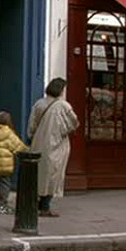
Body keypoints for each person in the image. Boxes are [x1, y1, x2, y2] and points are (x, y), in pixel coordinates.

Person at [27, 77, 79, 218]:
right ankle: (45, 206)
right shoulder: (63, 106)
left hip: (38, 142)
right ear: (61, 89)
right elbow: (74, 122)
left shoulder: (39, 104)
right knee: (53, 175)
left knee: (39, 175)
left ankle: (36, 203)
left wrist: (33, 137)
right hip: (57, 144)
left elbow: (31, 126)